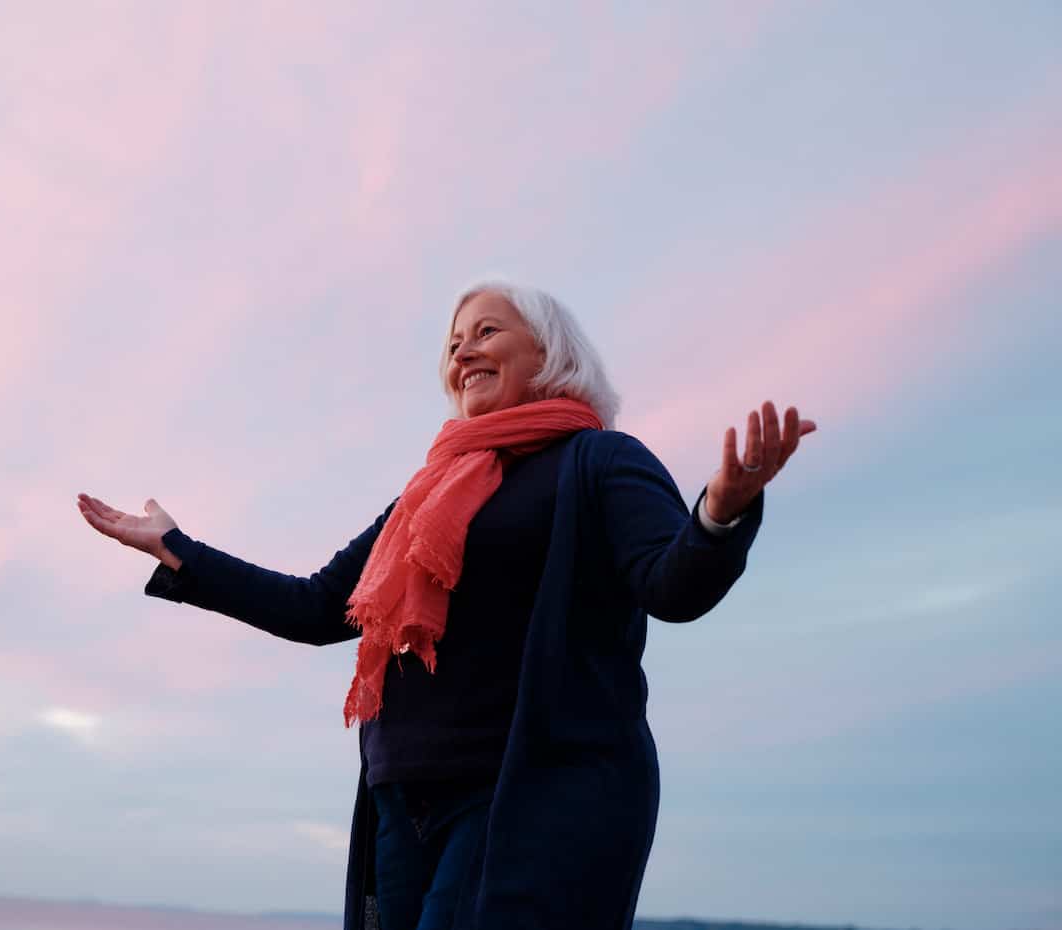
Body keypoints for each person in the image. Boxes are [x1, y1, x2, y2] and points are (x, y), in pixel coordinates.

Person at [77, 282, 816, 930]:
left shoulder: (600, 461)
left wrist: (720, 513)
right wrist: (179, 550)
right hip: (400, 800)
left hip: (525, 794)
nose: (463, 353)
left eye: (487, 332)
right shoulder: (425, 496)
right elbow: (314, 608)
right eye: (454, 342)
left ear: (551, 354)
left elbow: (672, 586)